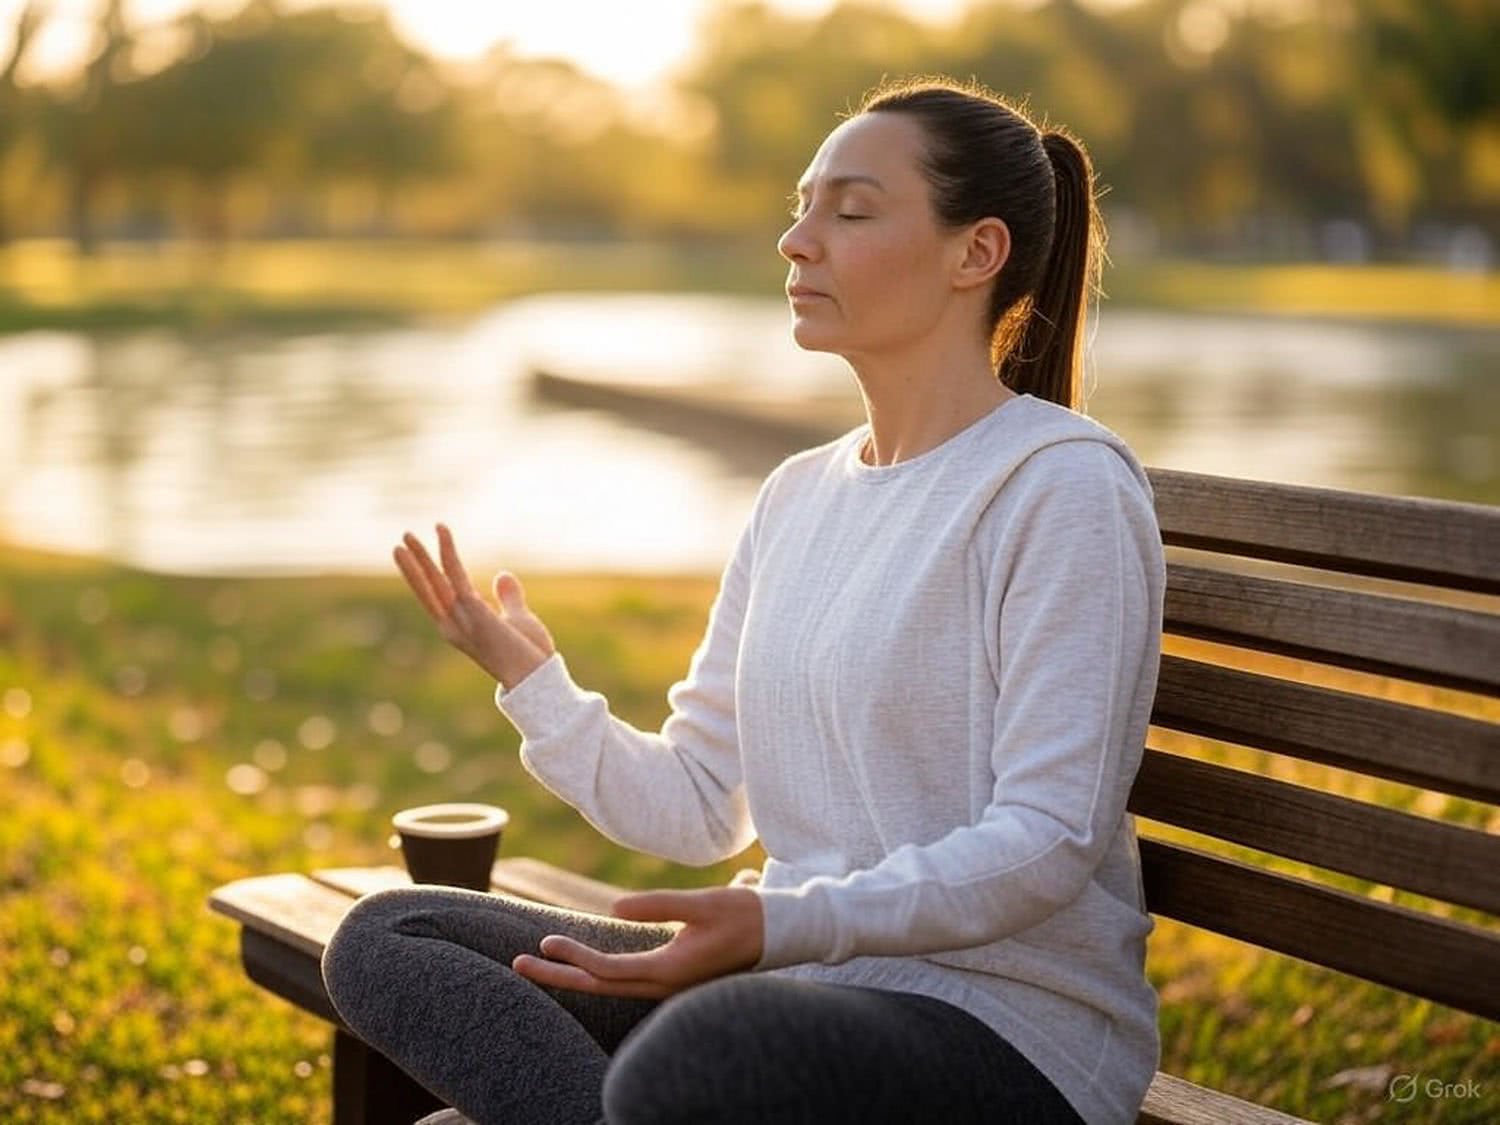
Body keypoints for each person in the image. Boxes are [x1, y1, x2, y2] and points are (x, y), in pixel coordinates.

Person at [321, 76, 1165, 1125]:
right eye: (799, 208)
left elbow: (1047, 837)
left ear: (975, 254)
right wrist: (534, 682)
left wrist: (781, 930)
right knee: (391, 939)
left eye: (849, 212)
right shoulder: (798, 494)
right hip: (794, 989)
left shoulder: (1058, 485)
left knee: (700, 1057)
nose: (797, 242)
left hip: (1007, 1032)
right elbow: (699, 805)